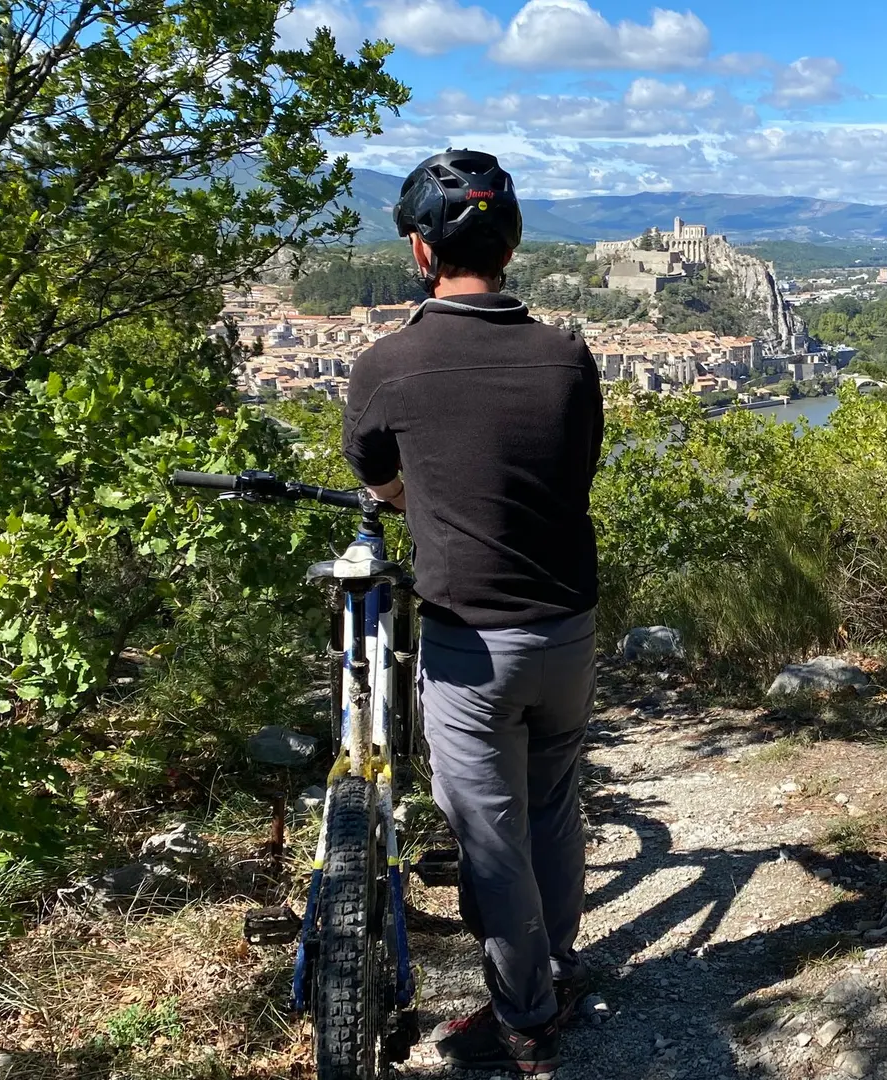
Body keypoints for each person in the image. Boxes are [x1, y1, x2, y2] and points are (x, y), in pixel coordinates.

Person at [341, 148, 603, 1075]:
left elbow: (377, 477)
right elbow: (573, 473)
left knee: (488, 833)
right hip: (566, 626)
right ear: (512, 245)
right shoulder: (568, 356)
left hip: (468, 641)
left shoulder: (388, 362)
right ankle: (559, 960)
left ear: (421, 253)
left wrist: (422, 497)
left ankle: (527, 1018)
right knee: (551, 804)